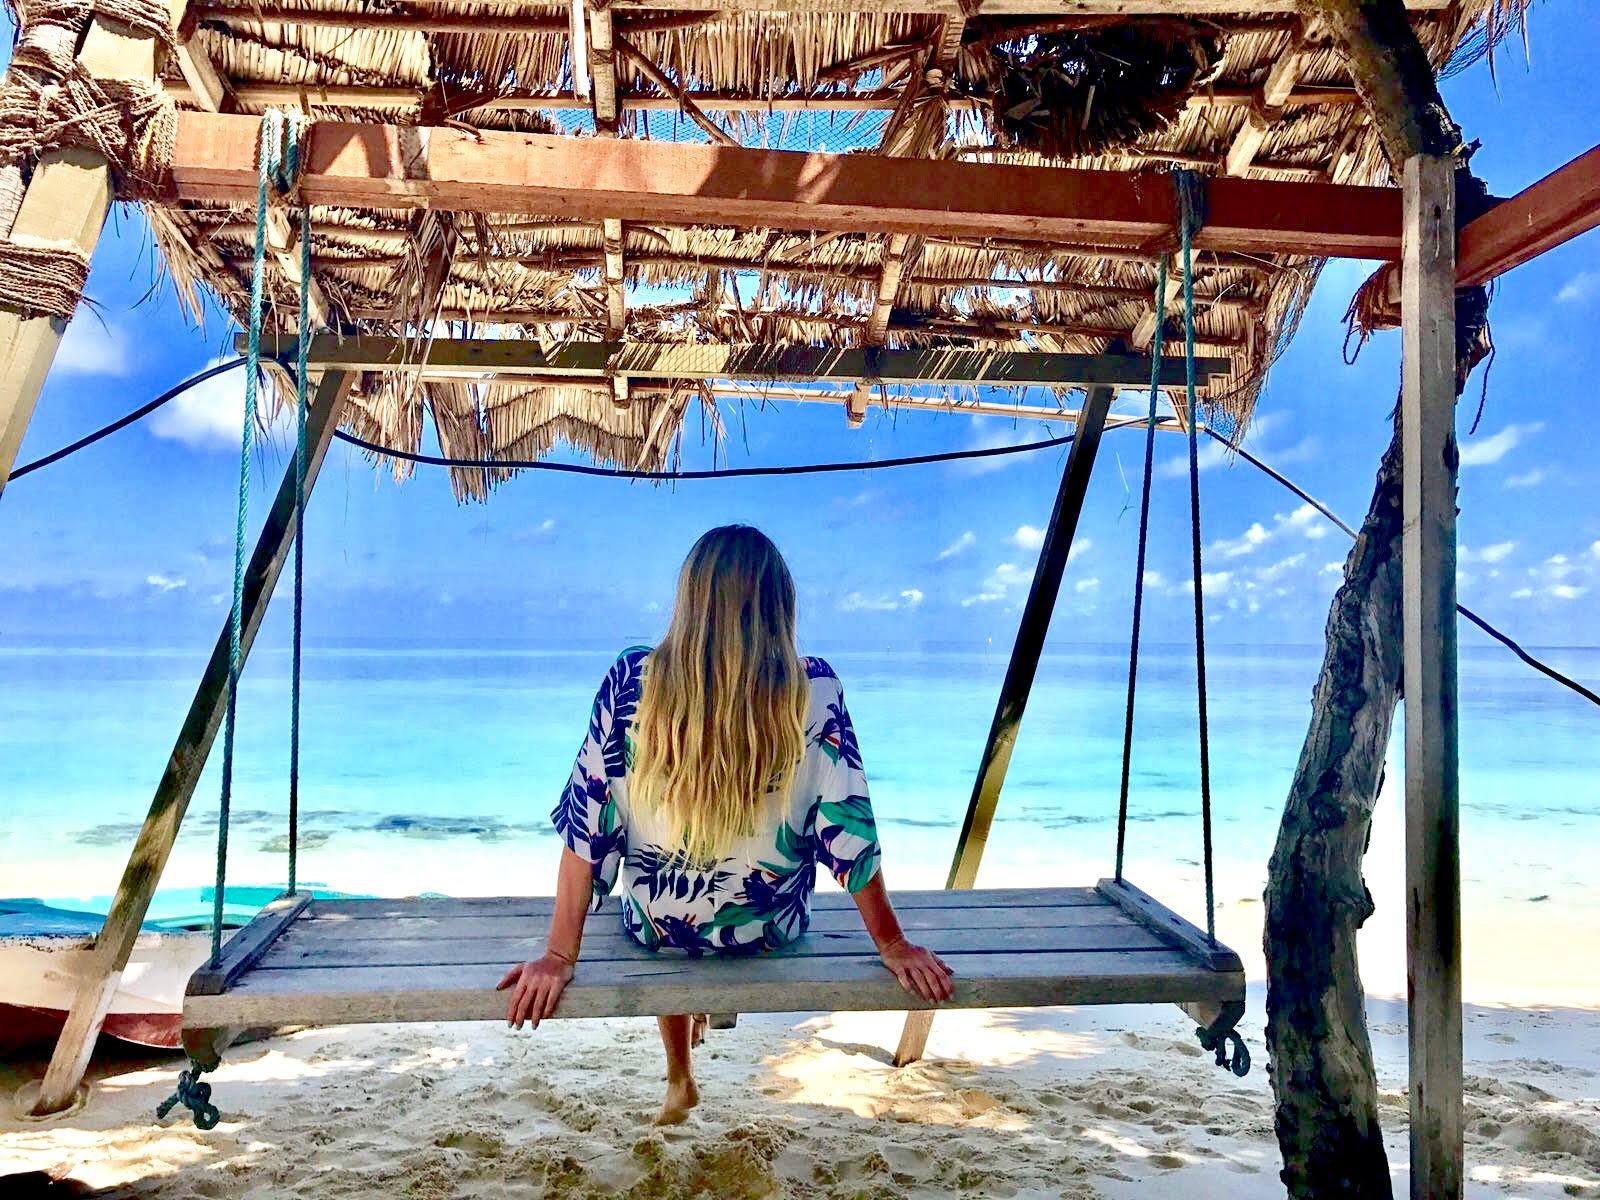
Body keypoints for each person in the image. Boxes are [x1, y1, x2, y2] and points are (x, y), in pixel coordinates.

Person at [498, 524, 954, 1124]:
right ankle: (685, 1063)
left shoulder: (632, 680)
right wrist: (892, 944)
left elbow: (588, 826)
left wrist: (559, 954)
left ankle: (680, 1076)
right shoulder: (814, 688)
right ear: (780, 604)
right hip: (767, 926)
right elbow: (850, 830)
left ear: (689, 600)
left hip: (660, 929)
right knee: (705, 882)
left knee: (663, 892)